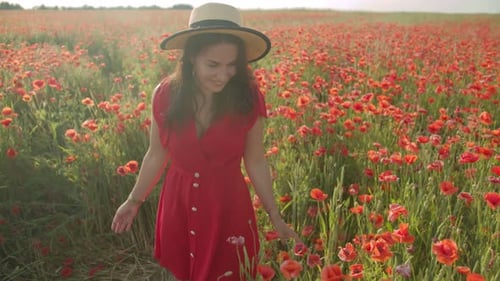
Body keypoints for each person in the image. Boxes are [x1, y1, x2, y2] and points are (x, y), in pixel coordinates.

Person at [111, 3, 301, 280]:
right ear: (191, 58)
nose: (223, 75)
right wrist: (133, 200)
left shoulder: (248, 98)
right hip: (178, 202)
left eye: (231, 65)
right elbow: (156, 154)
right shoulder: (165, 94)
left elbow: (256, 161)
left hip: (226, 204)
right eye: (213, 65)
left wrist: (274, 215)